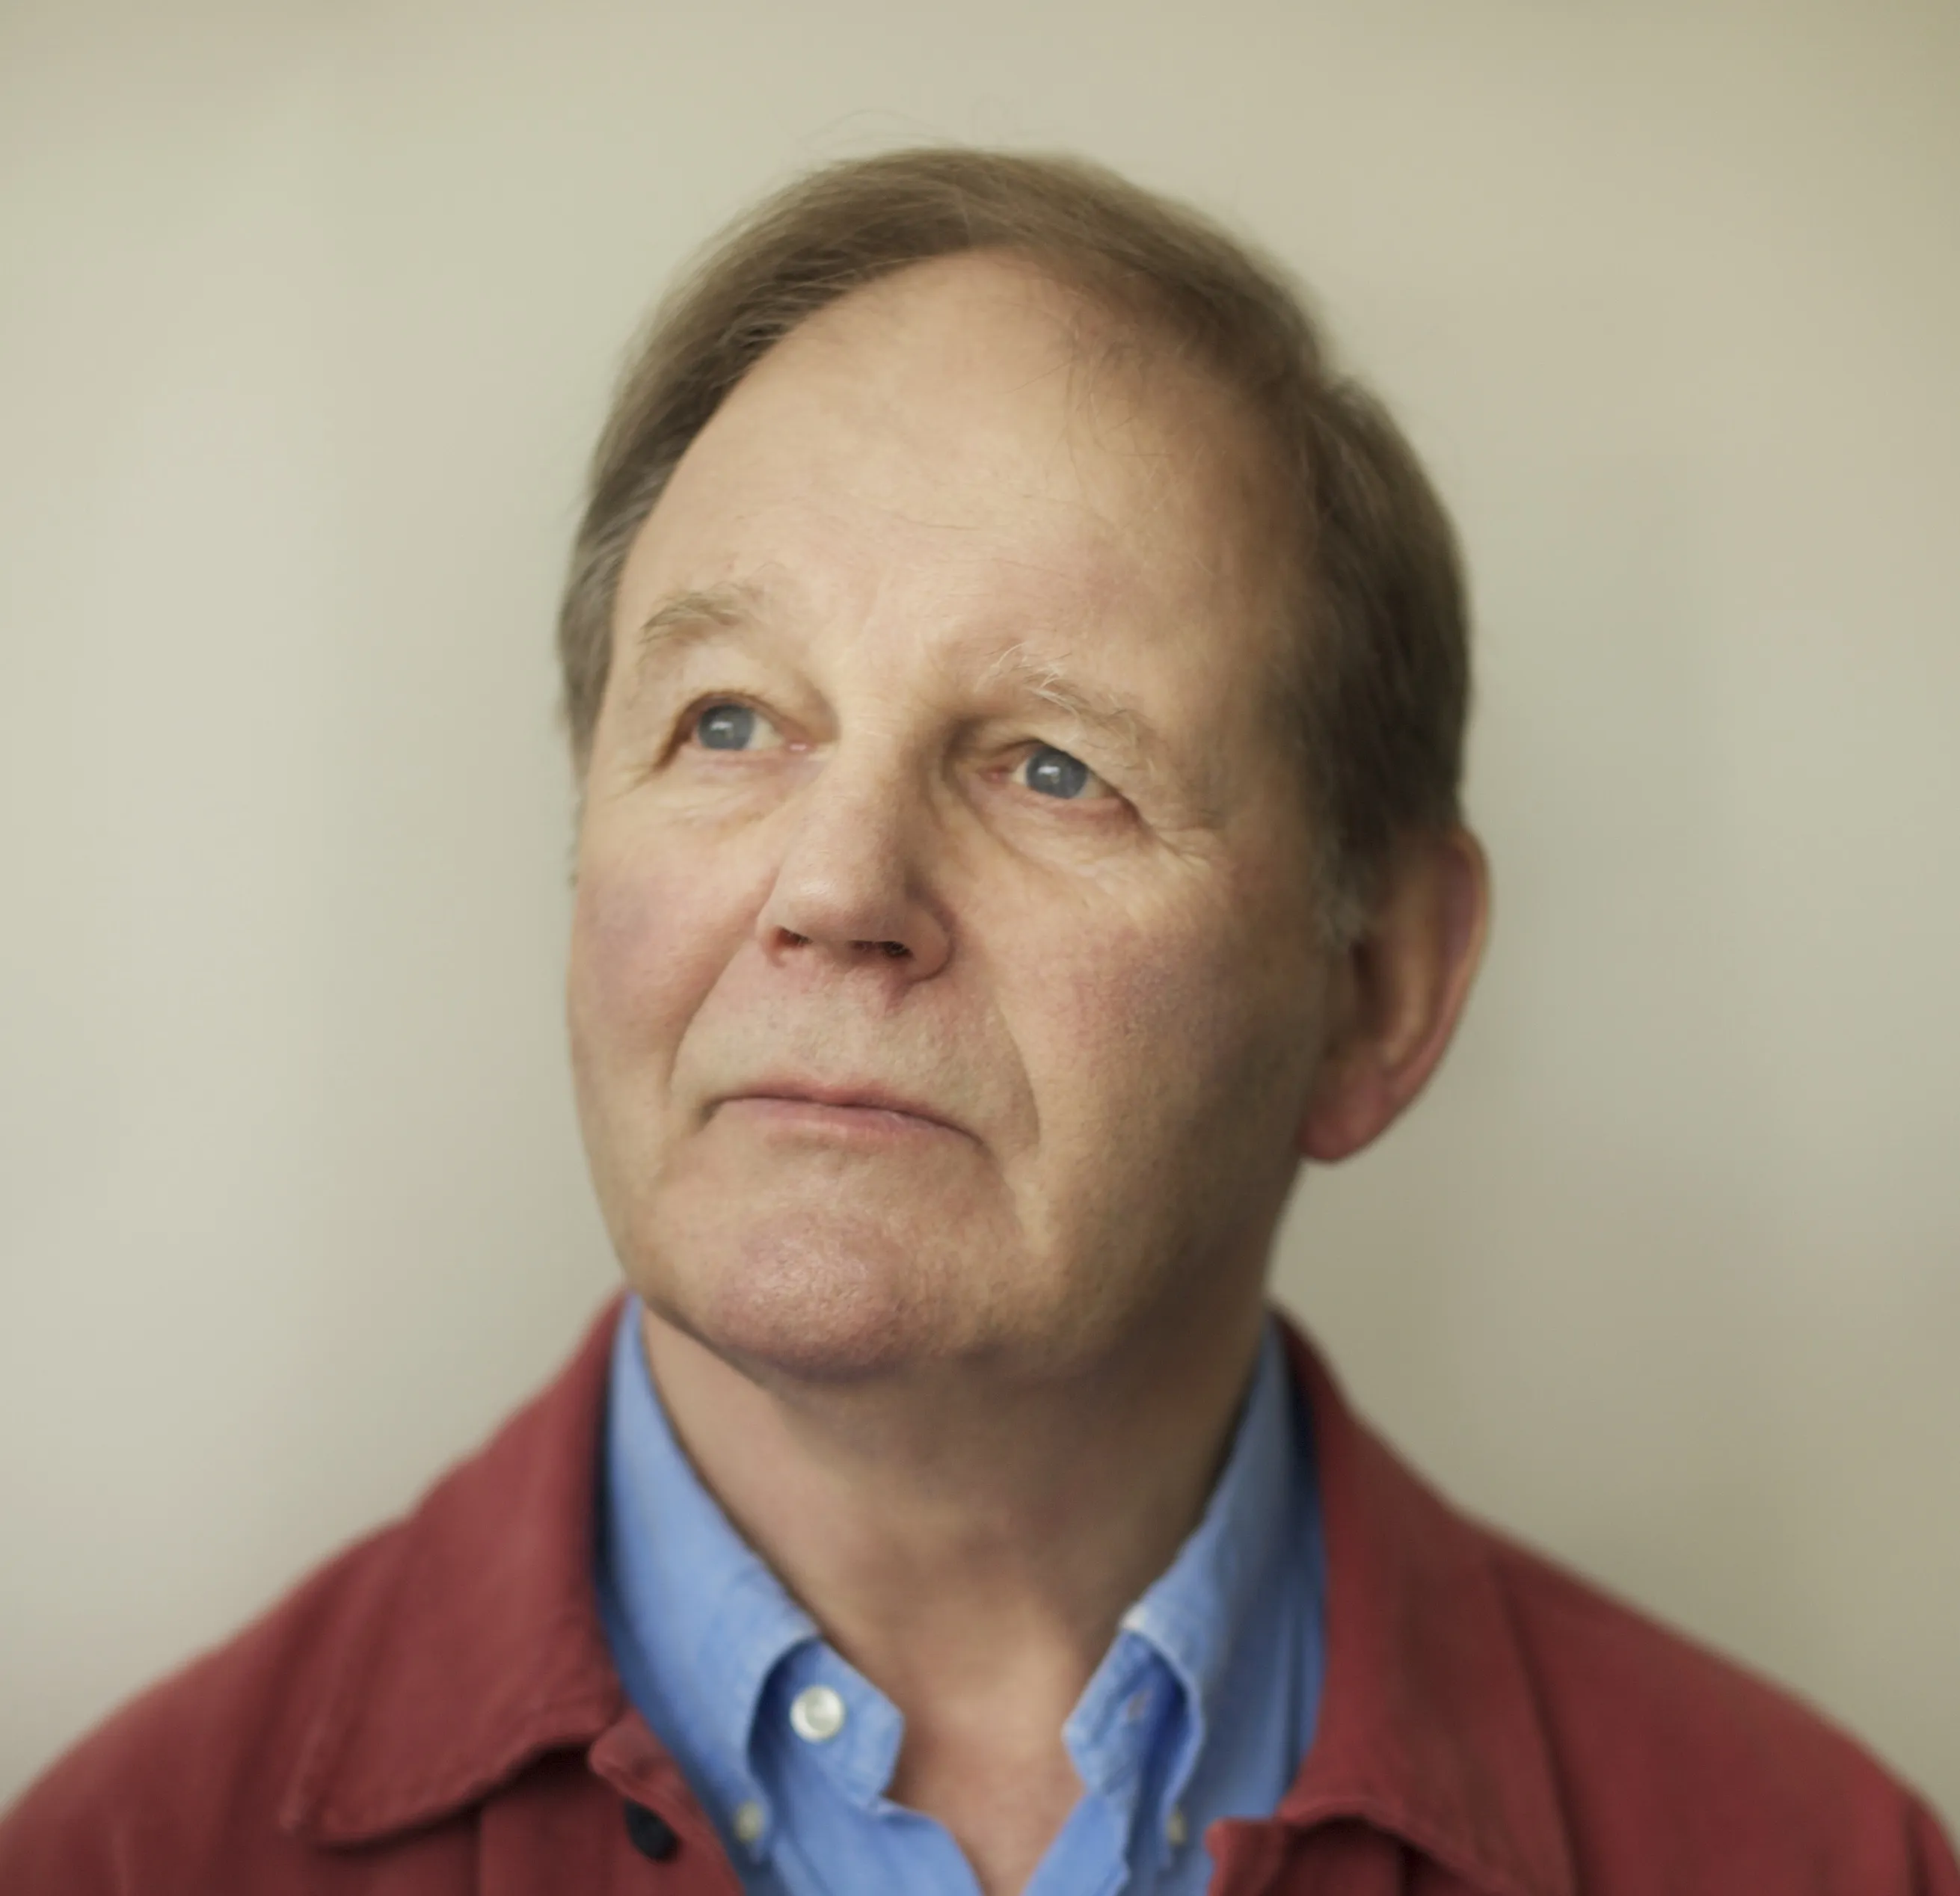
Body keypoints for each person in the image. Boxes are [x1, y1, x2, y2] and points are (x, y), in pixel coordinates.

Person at [1, 146, 1952, 1896]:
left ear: (1378, 987)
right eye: (730, 723)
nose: (834, 891)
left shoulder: (1818, 1863)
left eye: (1046, 767)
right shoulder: (121, 1861)